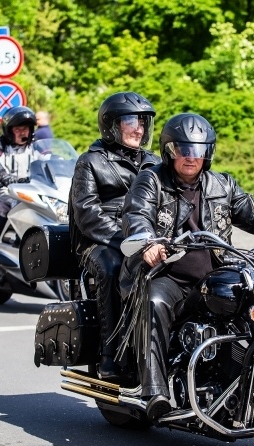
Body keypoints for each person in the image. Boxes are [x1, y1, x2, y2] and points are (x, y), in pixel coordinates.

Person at [119, 113, 254, 421]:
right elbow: (136, 214)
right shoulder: (151, 180)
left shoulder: (222, 184)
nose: (191, 157)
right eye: (183, 149)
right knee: (155, 301)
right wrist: (148, 242)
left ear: (208, 152)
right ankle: (153, 390)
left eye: (198, 150)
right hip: (168, 275)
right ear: (169, 151)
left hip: (214, 274)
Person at [69, 91, 160, 380]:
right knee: (112, 267)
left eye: (143, 122)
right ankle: (110, 353)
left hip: (146, 235)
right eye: (131, 121)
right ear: (111, 125)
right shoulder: (90, 161)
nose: (139, 129)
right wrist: (126, 242)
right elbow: (87, 213)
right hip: (100, 241)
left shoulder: (154, 162)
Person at [0, 106, 37, 291]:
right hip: (3, 195)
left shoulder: (36, 146)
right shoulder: (0, 144)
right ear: (9, 130)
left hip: (29, 196)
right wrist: (4, 175)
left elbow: (50, 160)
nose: (22, 132)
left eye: (25, 128)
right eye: (18, 129)